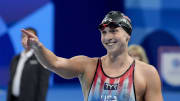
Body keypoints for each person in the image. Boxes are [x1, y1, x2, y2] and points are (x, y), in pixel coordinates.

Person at [22, 11, 163, 101]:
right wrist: (38, 47)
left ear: (128, 35)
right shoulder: (87, 66)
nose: (108, 37)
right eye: (104, 32)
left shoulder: (147, 73)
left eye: (114, 31)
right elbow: (54, 63)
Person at [7, 28, 50, 101]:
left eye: (30, 37)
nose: (26, 40)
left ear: (36, 40)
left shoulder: (42, 59)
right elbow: (11, 82)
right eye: (23, 36)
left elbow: (43, 86)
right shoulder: (15, 59)